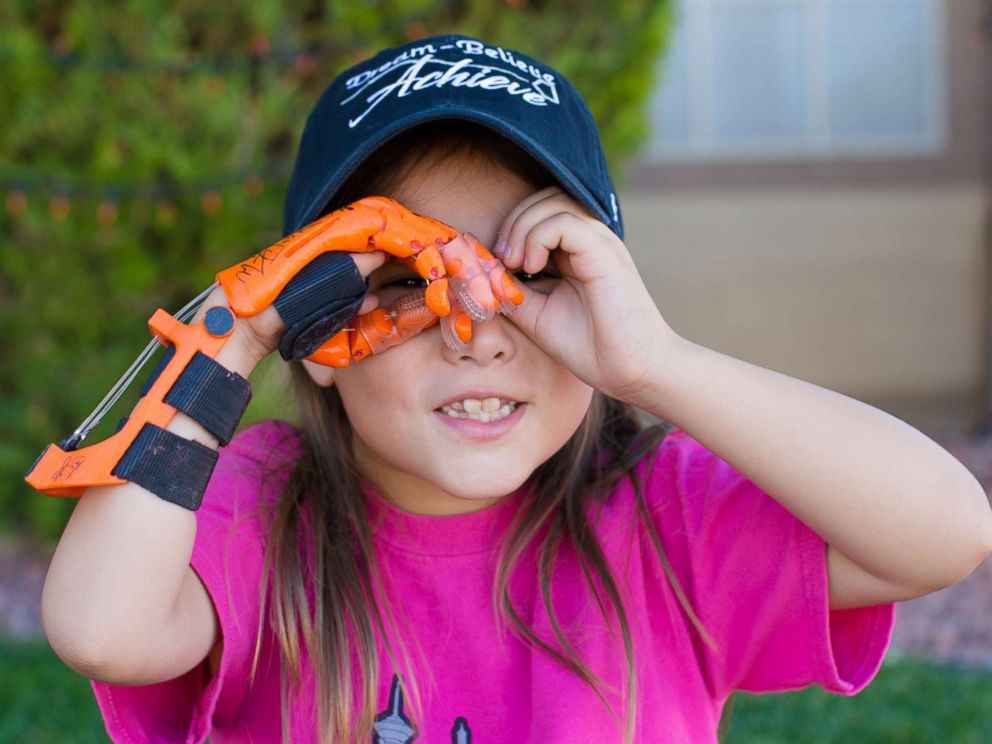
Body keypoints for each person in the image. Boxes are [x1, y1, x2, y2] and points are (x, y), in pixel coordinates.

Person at [41, 34, 992, 744]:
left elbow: (947, 530)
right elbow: (101, 631)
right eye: (408, 282)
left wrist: (655, 364)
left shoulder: (665, 517)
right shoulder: (259, 508)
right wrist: (238, 329)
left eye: (533, 273)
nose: (477, 333)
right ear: (318, 329)